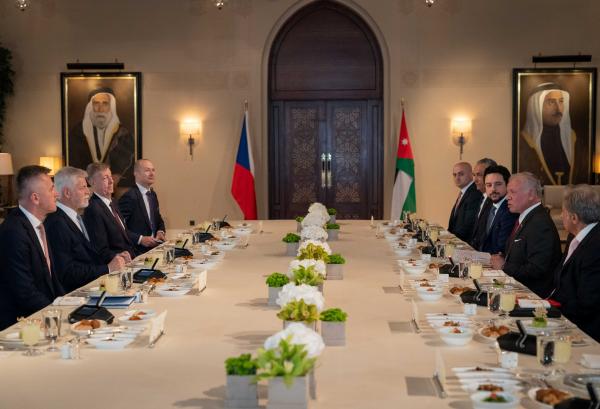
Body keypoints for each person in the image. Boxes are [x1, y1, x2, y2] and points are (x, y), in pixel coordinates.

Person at [0, 166, 64, 330]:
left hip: (42, 314)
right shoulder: (13, 232)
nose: (56, 194)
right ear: (35, 198)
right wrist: (58, 315)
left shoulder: (37, 224)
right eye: (51, 189)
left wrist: (67, 305)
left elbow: (50, 279)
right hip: (20, 325)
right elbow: (24, 291)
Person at [44, 167, 127, 293]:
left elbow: (90, 255)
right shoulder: (56, 223)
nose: (88, 191)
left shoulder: (76, 217)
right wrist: (108, 268)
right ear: (67, 193)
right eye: (83, 187)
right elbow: (67, 273)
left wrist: (115, 257)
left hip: (93, 286)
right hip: (76, 294)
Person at [490, 172, 561, 298]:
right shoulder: (527, 217)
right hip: (516, 288)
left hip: (531, 296)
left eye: (513, 192)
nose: (507, 197)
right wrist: (504, 257)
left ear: (531, 194)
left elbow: (537, 269)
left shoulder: (539, 223)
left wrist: (504, 266)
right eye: (508, 192)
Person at [549, 185, 600, 341]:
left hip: (584, 332)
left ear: (574, 218)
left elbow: (588, 301)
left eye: (563, 212)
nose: (561, 216)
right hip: (566, 316)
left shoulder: (595, 247)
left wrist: (552, 317)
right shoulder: (576, 235)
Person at [68, 87, 134, 187]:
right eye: (96, 103)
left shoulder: (123, 134)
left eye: (105, 103)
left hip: (112, 187)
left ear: (111, 106)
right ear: (90, 106)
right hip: (84, 187)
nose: (100, 109)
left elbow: (125, 164)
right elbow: (75, 163)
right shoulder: (78, 132)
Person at [520, 82, 578, 185]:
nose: (558, 108)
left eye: (561, 101)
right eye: (551, 102)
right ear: (536, 107)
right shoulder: (525, 141)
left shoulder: (573, 139)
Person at [83, 162, 136, 264]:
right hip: (116, 264)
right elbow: (100, 249)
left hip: (131, 258)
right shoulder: (93, 209)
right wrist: (120, 257)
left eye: (110, 176)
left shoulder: (113, 202)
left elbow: (124, 235)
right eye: (105, 178)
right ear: (92, 182)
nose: (111, 181)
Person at [118, 159, 165, 254]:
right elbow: (119, 227)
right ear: (136, 173)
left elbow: (158, 218)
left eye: (153, 170)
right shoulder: (129, 197)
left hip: (154, 248)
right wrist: (140, 239)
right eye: (147, 170)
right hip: (137, 251)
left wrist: (160, 231)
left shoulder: (152, 194)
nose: (151, 173)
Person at [470, 165, 518, 254]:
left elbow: (501, 248)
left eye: (498, 184)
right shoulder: (489, 204)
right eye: (489, 185)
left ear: (508, 184)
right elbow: (480, 237)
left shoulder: (510, 210)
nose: (493, 189)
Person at [448, 162, 482, 242]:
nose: (457, 178)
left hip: (465, 243)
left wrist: (450, 240)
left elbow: (468, 225)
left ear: (471, 175)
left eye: (461, 174)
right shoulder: (463, 192)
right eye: (454, 175)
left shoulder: (475, 193)